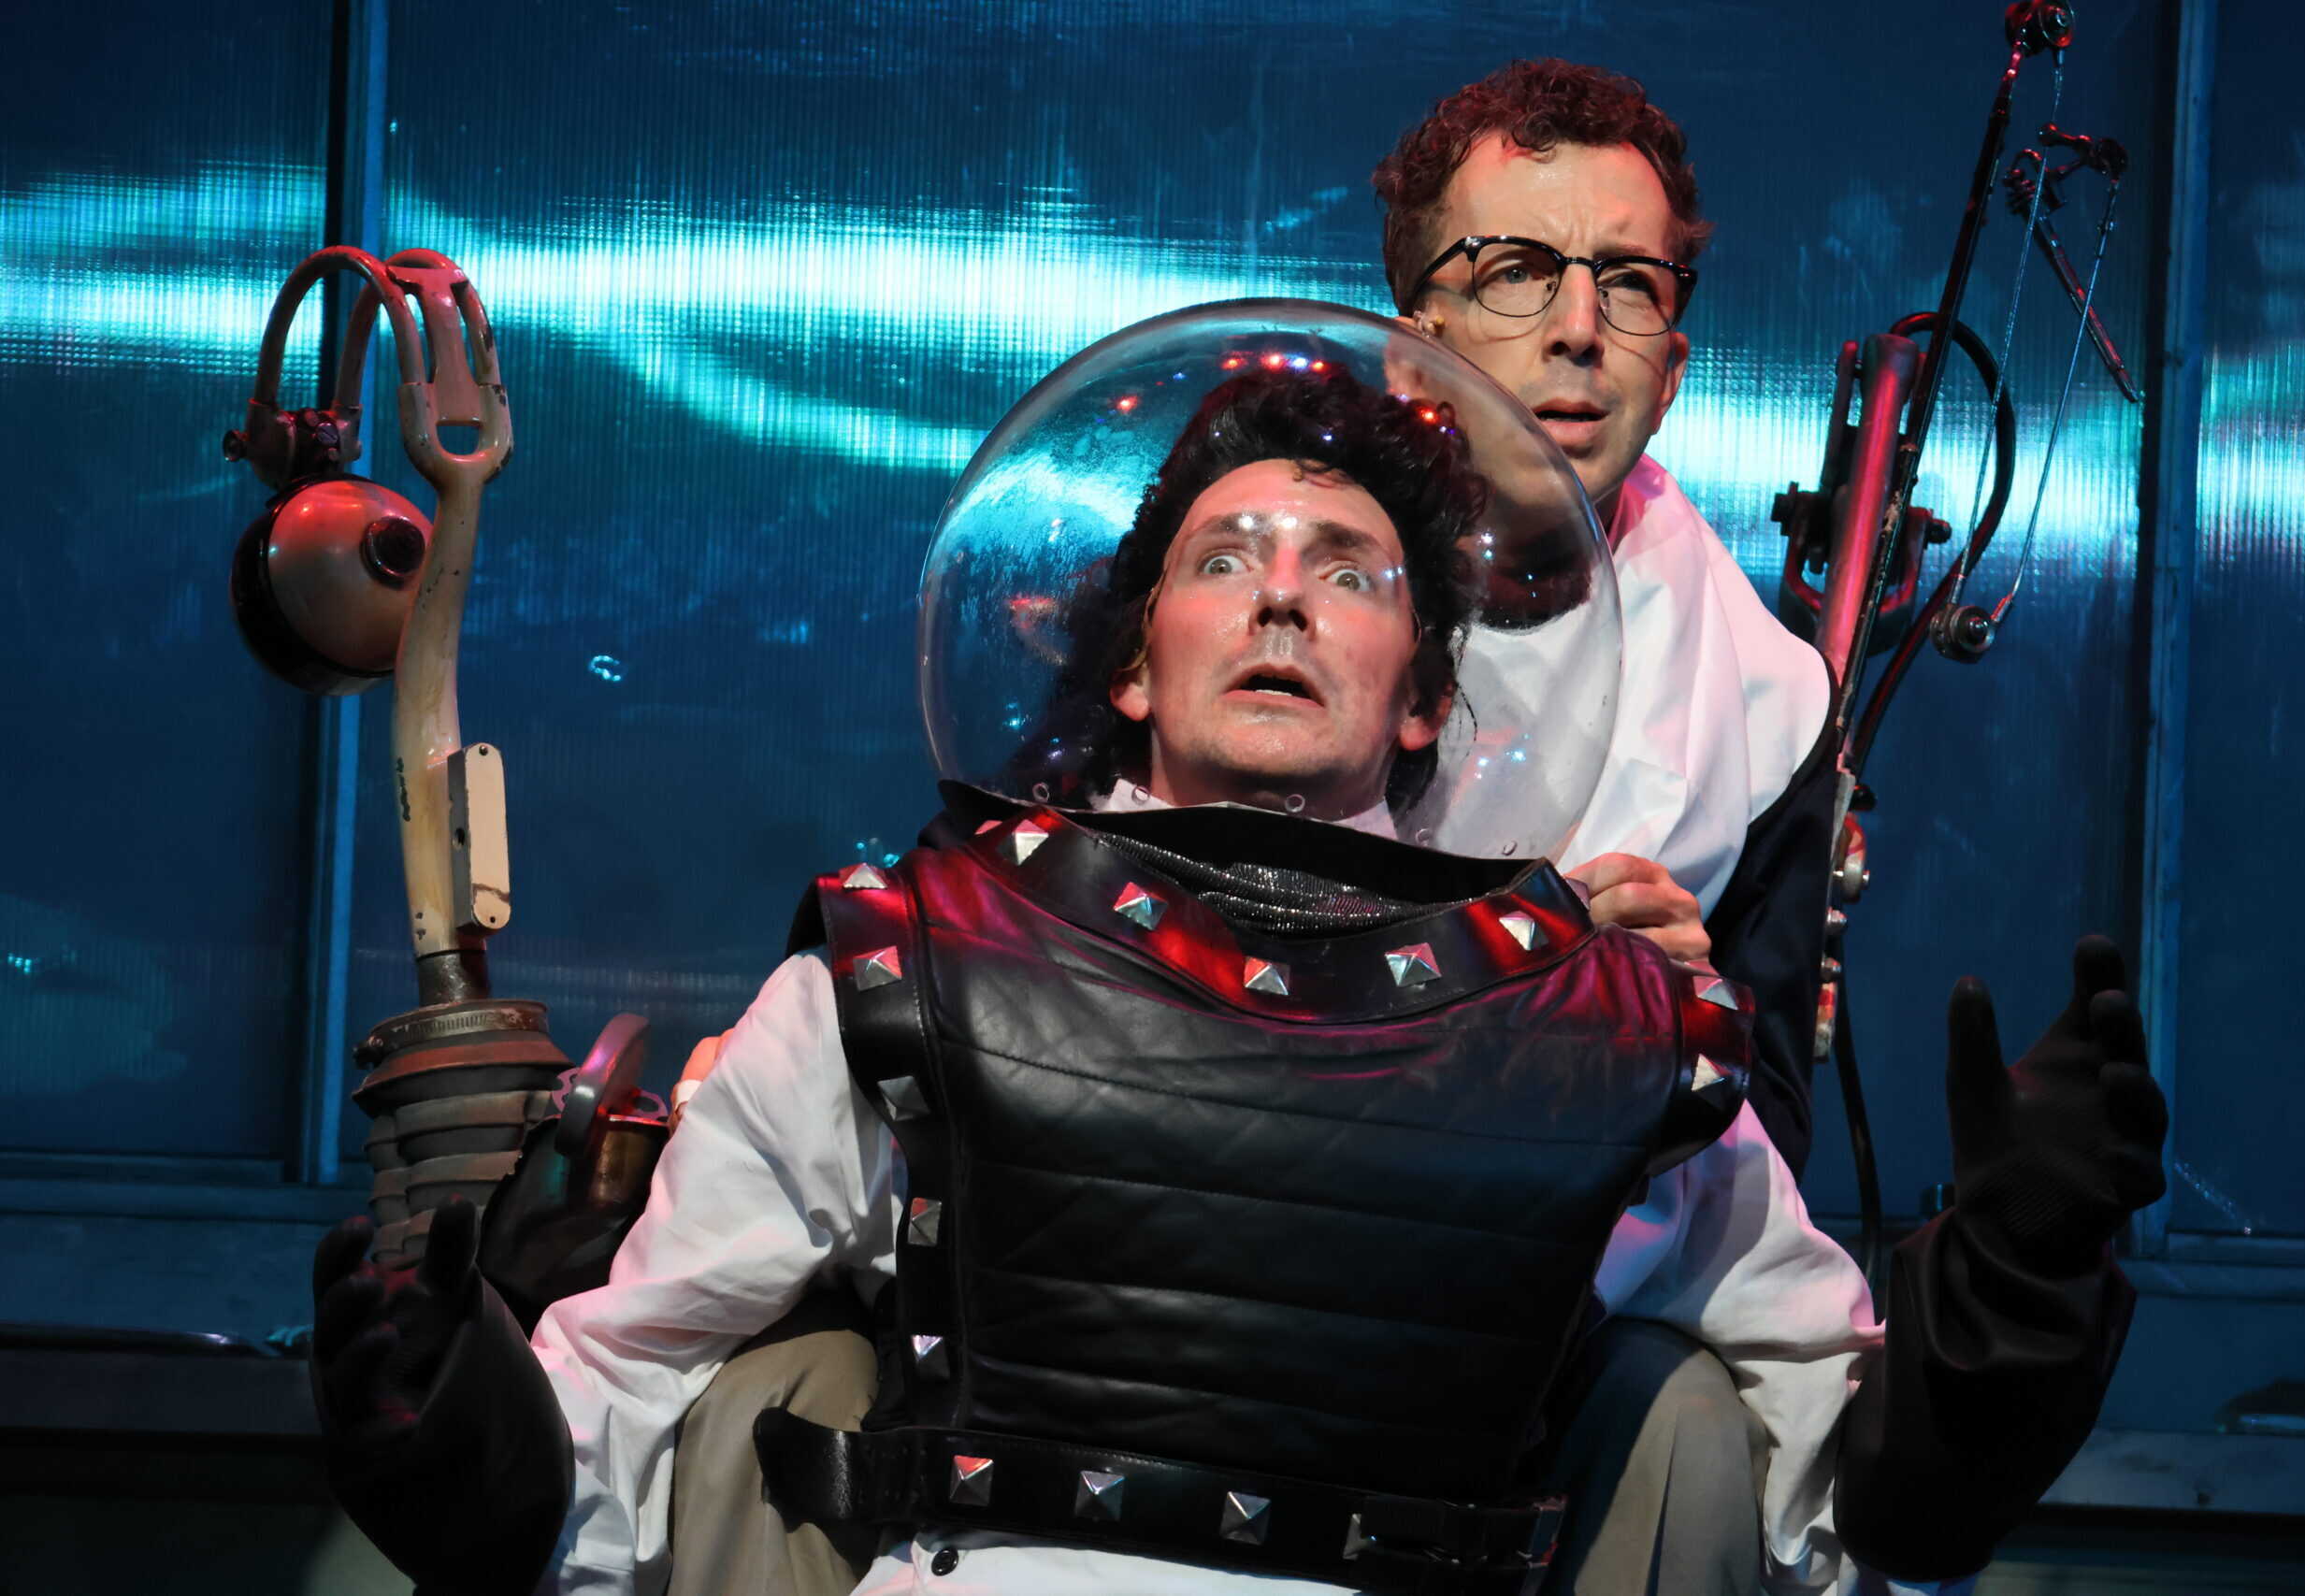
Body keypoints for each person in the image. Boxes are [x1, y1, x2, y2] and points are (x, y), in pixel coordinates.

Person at [310, 359, 2164, 1596]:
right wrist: (436, 1406)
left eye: (1349, 571)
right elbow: (612, 1418)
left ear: (1424, 697)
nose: (1282, 594)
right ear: (1134, 664)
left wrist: (2017, 1281)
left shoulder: (1596, 1036)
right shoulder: (909, 962)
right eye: (1227, 557)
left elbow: (1854, 1502)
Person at [1374, 58, 1837, 1183]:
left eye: (1629, 283)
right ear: (1412, 357)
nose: (1579, 328)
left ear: (1669, 372)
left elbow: (1770, 1131)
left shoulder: (1766, 705)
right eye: (1515, 271)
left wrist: (1682, 1024)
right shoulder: (1258, 599)